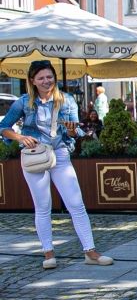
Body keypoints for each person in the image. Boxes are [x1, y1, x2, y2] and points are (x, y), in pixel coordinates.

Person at [0, 60, 114, 270]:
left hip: (59, 155)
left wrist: (71, 129)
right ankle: (48, 254)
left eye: (49, 77)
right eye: (41, 78)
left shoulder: (67, 100)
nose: (46, 81)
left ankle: (90, 251)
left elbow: (74, 133)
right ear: (33, 81)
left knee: (76, 204)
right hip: (35, 156)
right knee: (43, 207)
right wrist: (19, 137)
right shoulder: (24, 102)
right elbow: (4, 127)